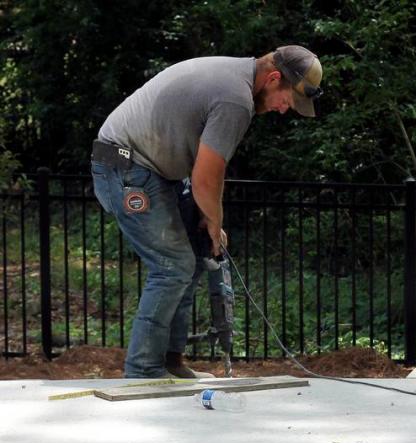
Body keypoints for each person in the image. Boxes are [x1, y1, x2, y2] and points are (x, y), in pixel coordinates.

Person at [91, 46, 322, 378]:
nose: (283, 110)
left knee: (196, 255)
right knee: (173, 266)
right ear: (273, 79)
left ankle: (170, 363)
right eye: (287, 100)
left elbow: (212, 164)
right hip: (126, 169)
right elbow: (204, 177)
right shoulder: (235, 100)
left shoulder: (233, 79)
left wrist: (209, 217)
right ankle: (142, 372)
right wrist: (214, 220)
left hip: (151, 169)